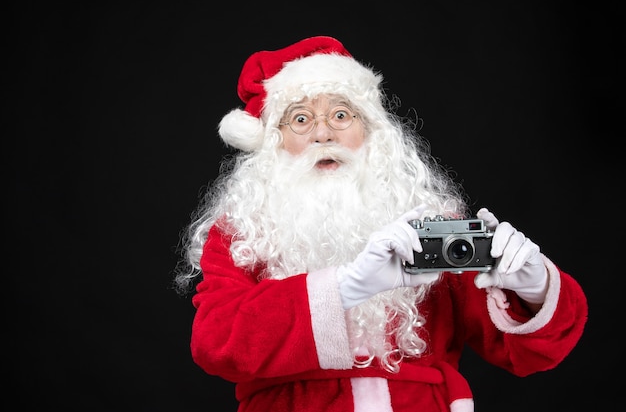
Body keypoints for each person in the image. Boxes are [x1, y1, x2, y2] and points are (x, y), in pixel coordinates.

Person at [174, 36, 588, 412]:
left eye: (341, 114)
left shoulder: (432, 223)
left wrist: (532, 290)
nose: (323, 134)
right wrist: (346, 287)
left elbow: (526, 353)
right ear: (275, 140)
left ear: (371, 132)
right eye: (300, 119)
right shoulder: (243, 233)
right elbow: (215, 343)